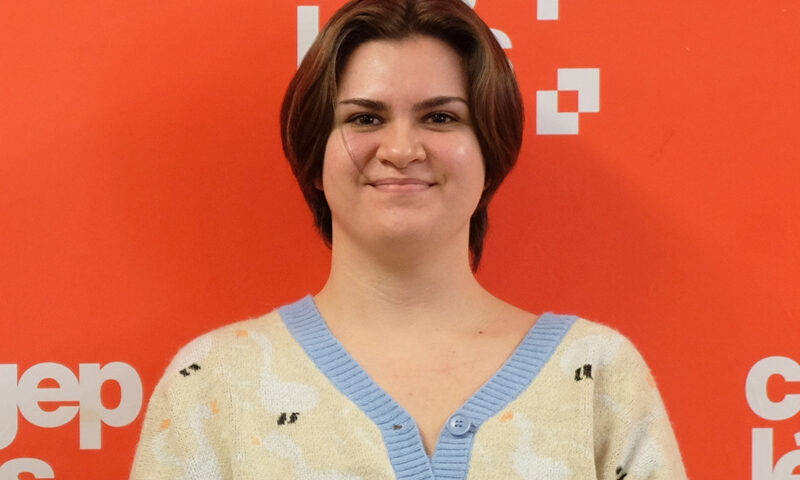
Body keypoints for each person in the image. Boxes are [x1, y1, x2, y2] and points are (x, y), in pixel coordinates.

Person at [130, 0, 687, 478]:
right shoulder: (212, 384)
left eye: (440, 118)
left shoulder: (598, 376)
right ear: (315, 156)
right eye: (365, 119)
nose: (401, 150)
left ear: (489, 151)